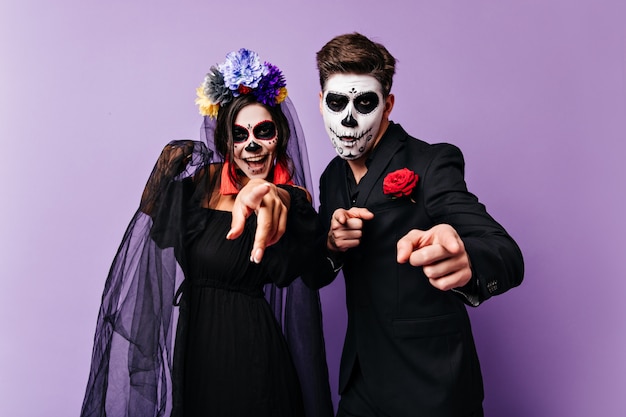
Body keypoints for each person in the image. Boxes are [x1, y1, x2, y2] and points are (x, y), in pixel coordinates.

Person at [81, 48, 333, 417]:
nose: (252, 145)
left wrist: (275, 194)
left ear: (278, 137)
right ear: (225, 142)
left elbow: (302, 265)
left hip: (248, 351)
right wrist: (167, 165)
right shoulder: (199, 184)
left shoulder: (289, 201)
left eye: (264, 132)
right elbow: (152, 224)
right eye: (239, 134)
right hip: (195, 346)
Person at [301, 33, 525, 417]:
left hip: (432, 383)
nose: (349, 118)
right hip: (360, 382)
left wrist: (468, 262)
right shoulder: (330, 178)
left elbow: (506, 253)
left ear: (387, 105)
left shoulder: (431, 162)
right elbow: (316, 274)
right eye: (337, 102)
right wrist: (332, 246)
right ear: (322, 104)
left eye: (365, 102)